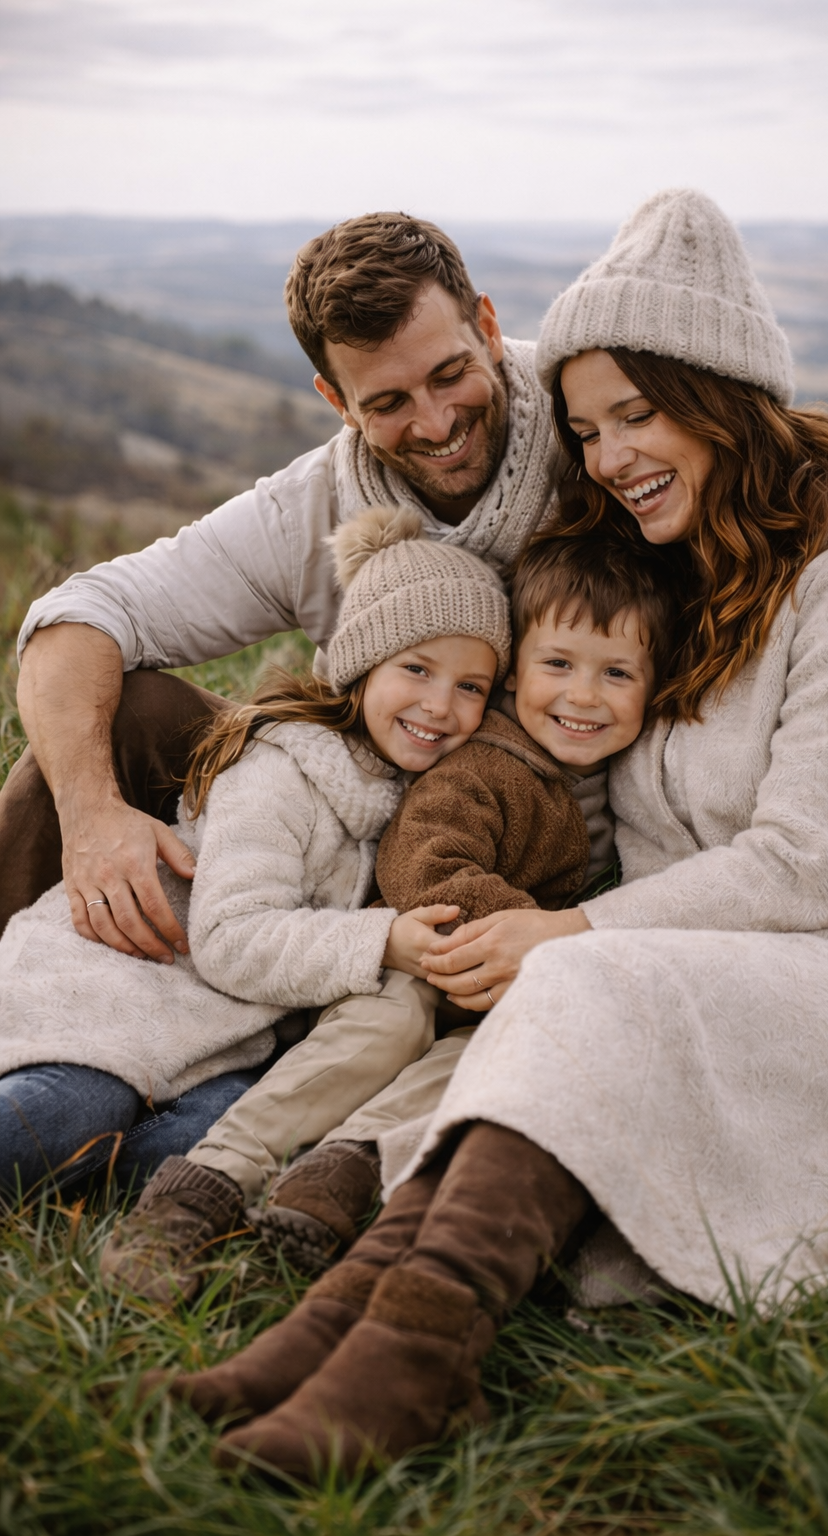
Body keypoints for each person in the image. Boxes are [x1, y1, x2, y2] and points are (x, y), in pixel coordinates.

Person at [148, 189, 828, 1483]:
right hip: (680, 966)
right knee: (573, 988)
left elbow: (815, 857)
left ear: (722, 398)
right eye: (588, 428)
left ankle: (406, 1360)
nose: (605, 456)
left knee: (579, 978)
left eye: (637, 415)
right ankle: (347, 1329)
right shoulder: (664, 573)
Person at [4, 213, 828, 1048]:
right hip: (355, 826)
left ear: (486, 323)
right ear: (335, 401)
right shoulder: (305, 510)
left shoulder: (608, 450)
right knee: (114, 718)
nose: (436, 421)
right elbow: (78, 616)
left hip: (535, 868)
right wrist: (93, 819)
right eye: (388, 402)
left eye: (449, 373)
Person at [103, 528, 675, 1298]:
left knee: (484, 1056)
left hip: (494, 984)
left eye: (617, 674)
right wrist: (537, 941)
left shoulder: (613, 782)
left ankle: (337, 1176)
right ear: (517, 677)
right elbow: (423, 864)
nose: (583, 695)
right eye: (559, 666)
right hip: (413, 957)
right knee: (391, 1024)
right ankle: (204, 1186)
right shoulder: (484, 764)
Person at [0, 509, 510, 1225]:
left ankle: (79, 1186)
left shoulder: (417, 800)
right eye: (417, 669)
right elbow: (229, 938)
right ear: (362, 665)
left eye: (471, 687)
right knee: (76, 1109)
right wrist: (383, 941)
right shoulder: (283, 770)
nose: (439, 705)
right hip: (123, 985)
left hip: (223, 1038)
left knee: (190, 1153)